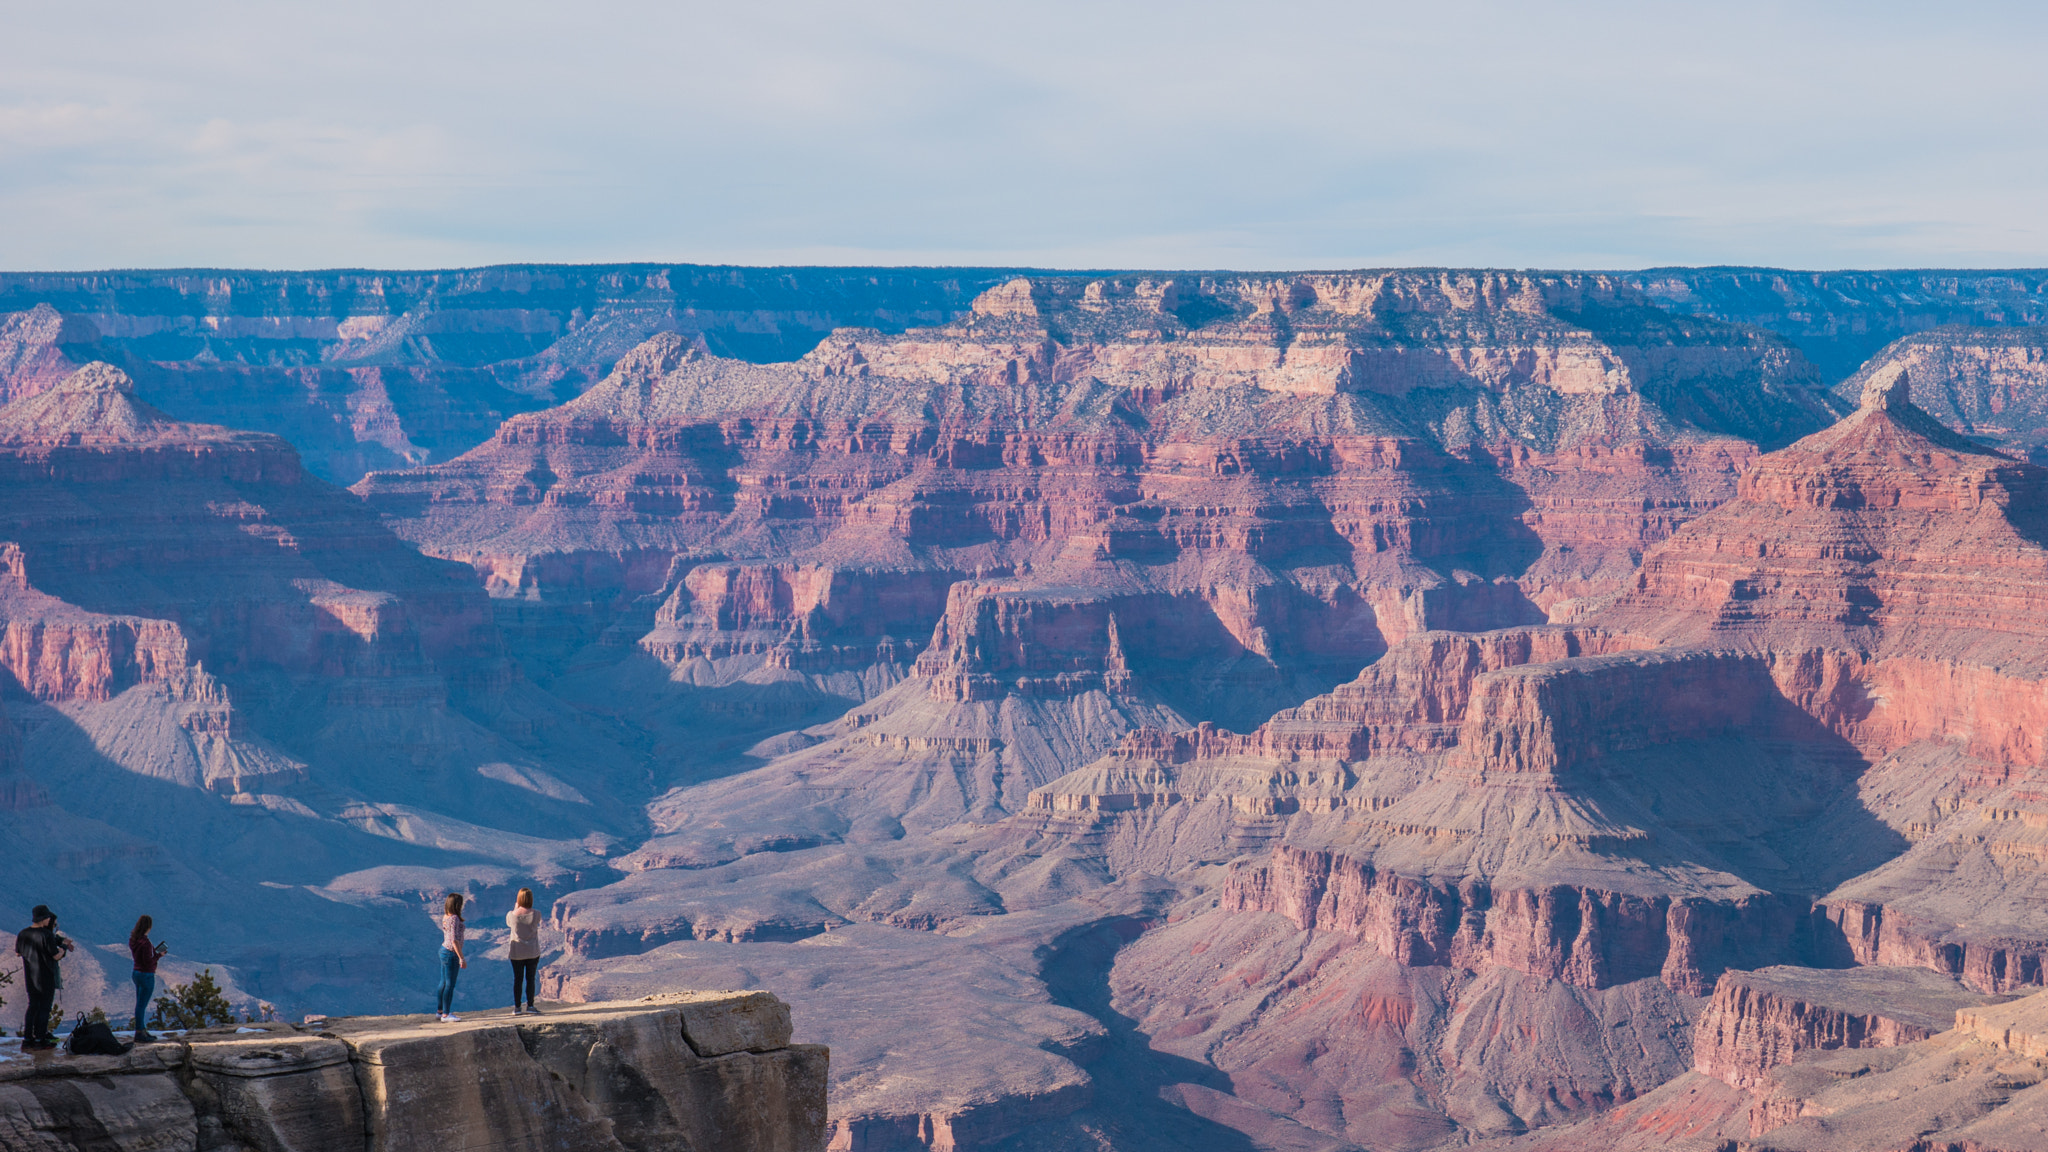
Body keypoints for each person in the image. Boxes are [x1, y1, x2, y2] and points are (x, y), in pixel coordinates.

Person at [14, 905, 73, 1051]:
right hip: (46, 976)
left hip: (30, 976)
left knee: (32, 1006)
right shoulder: (45, 935)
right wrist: (63, 948)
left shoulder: (23, 933)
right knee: (44, 1008)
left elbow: (18, 953)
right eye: (47, 917)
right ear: (44, 918)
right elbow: (56, 956)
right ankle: (40, 1040)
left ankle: (28, 1039)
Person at [129, 915, 168, 1043]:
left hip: (136, 973)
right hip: (146, 975)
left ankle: (141, 1029)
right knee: (142, 1005)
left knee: (139, 1003)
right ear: (148, 927)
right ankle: (140, 1032)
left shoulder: (134, 940)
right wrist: (158, 956)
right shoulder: (146, 943)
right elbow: (148, 962)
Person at [506, 888, 542, 1015]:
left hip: (517, 952)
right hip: (532, 951)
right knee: (530, 979)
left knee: (518, 979)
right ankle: (530, 1006)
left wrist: (516, 908)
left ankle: (517, 1008)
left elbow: (509, 924)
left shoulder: (511, 915)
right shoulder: (537, 914)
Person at [435, 893, 466, 1022]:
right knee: (449, 984)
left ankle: (440, 1011)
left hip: (443, 950)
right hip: (450, 952)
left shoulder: (446, 916)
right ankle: (446, 1015)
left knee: (443, 982)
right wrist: (461, 958)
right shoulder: (454, 918)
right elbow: (454, 940)